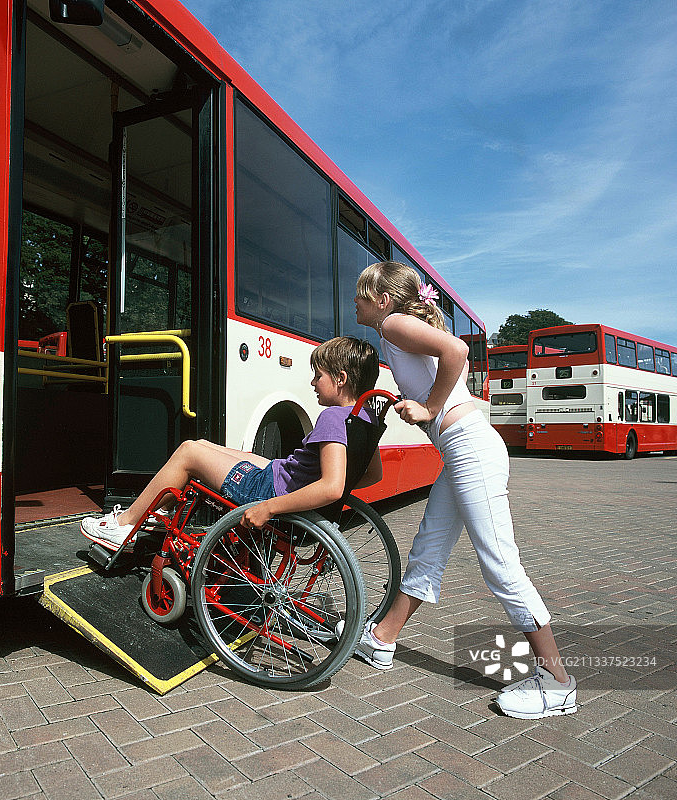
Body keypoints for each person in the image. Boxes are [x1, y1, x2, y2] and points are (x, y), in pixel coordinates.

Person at [352, 260, 576, 720]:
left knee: (500, 566)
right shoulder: (396, 330)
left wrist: (429, 409)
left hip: (470, 449)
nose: (354, 301)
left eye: (361, 294)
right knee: (428, 550)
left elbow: (457, 350)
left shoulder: (392, 324)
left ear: (383, 301)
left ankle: (557, 682)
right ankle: (382, 639)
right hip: (461, 451)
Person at [80, 336, 382, 550]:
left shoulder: (333, 417)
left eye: (318, 375)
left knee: (188, 452)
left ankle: (124, 525)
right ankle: (156, 512)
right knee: (206, 445)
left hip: (270, 491)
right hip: (282, 477)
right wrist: (310, 486)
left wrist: (269, 507)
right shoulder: (366, 419)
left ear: (340, 378)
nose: (313, 383)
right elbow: (372, 475)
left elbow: (331, 488)